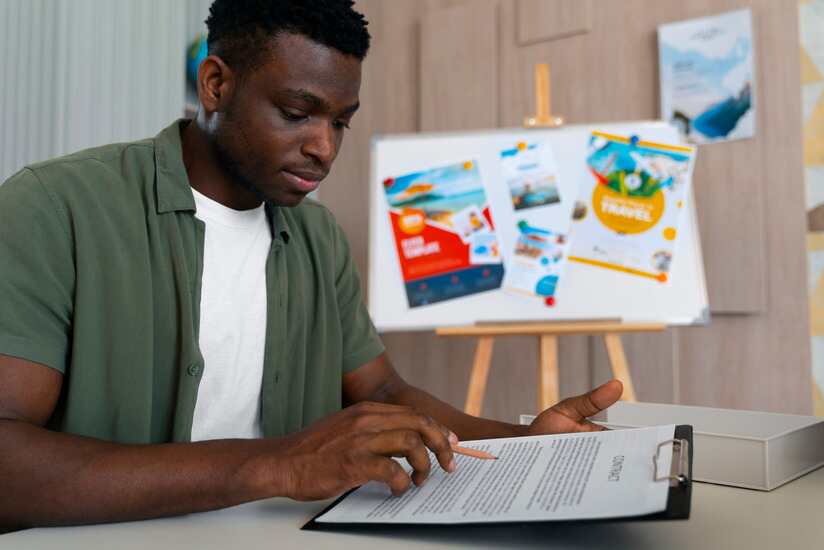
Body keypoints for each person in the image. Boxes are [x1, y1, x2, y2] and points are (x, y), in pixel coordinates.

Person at [0, 0, 623, 530]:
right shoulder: (55, 207)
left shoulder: (318, 235)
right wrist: (279, 464)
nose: (323, 147)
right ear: (215, 84)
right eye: (297, 113)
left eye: (340, 122)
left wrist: (527, 446)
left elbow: (381, 392)